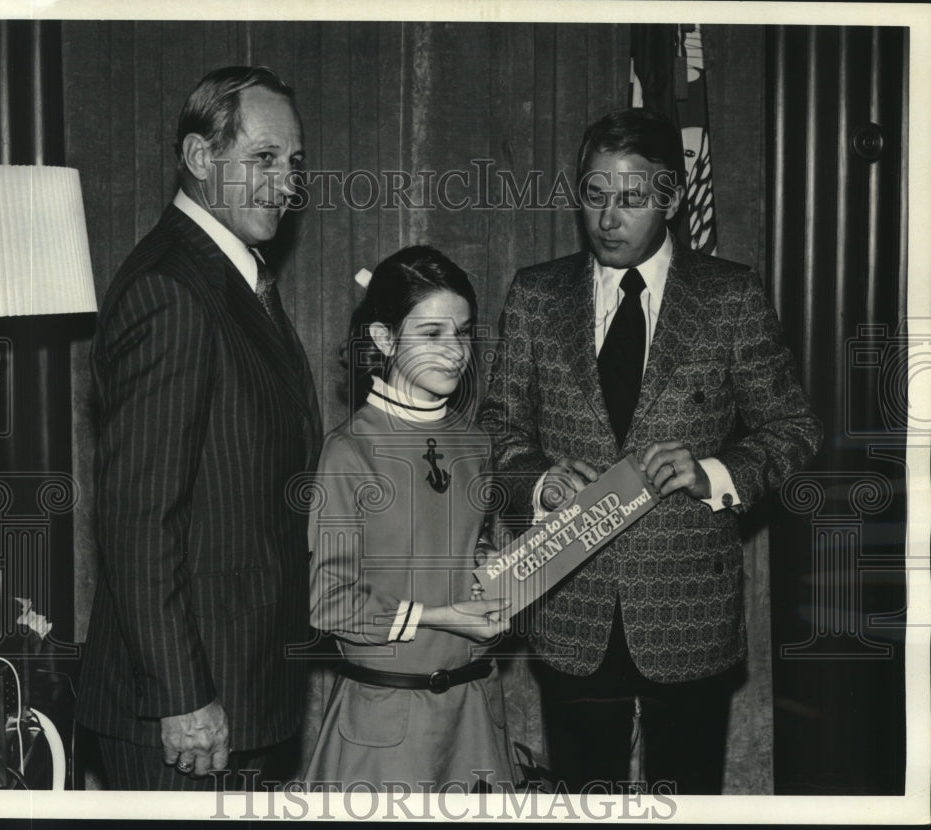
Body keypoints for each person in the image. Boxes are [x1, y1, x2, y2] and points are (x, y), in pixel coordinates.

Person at [477, 108, 822, 794]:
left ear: (670, 197)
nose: (608, 217)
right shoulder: (537, 296)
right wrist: (540, 483)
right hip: (570, 610)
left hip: (687, 615)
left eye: (631, 199)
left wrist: (716, 472)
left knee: (687, 802)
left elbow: (794, 431)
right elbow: (495, 429)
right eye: (594, 194)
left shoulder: (730, 297)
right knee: (582, 801)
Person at [76, 66, 322, 790]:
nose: (286, 183)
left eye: (295, 163)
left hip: (241, 694)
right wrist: (185, 697)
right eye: (264, 159)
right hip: (182, 714)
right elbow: (136, 518)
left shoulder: (228, 279)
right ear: (199, 158)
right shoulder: (172, 291)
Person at [304, 246, 517, 793]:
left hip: (475, 724)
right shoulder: (350, 451)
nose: (454, 353)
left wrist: (496, 573)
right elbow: (330, 603)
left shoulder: (475, 443)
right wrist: (445, 615)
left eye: (463, 333)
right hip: (383, 729)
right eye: (431, 335)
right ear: (384, 339)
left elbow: (479, 552)